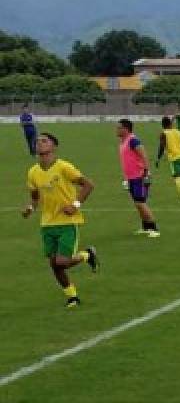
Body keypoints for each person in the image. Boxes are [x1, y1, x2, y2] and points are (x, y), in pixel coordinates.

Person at [22, 132, 98, 308]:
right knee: (54, 265)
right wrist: (30, 208)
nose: (39, 143)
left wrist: (75, 205)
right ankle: (72, 297)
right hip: (47, 224)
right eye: (38, 141)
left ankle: (87, 255)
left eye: (44, 141)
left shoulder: (64, 167)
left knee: (61, 261)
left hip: (67, 222)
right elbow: (34, 196)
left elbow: (88, 184)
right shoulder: (33, 172)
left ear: (53, 147)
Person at [116, 119, 159, 238]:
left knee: (141, 202)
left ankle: (154, 228)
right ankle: (146, 227)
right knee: (137, 203)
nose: (117, 130)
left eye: (119, 128)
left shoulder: (133, 140)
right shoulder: (123, 142)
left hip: (139, 176)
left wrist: (146, 172)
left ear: (126, 129)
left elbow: (143, 155)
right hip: (131, 177)